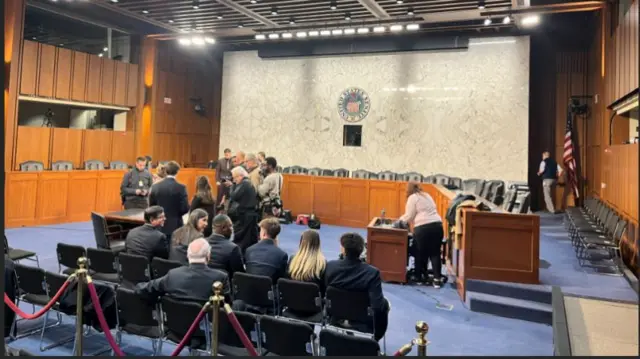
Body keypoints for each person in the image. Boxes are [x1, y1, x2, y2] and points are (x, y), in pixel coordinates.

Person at [325, 232, 390, 342]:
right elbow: (377, 306)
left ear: (344, 250)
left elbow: (325, 292)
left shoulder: (331, 266)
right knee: (384, 305)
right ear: (361, 251)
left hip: (335, 316)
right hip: (363, 321)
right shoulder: (371, 272)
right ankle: (376, 340)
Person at [136, 238, 230, 303]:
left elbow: (145, 289)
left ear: (188, 256)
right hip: (208, 328)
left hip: (178, 328)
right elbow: (227, 307)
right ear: (208, 256)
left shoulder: (173, 275)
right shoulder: (220, 278)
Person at [399, 182, 445, 288]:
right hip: (437, 225)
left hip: (423, 228)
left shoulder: (413, 198)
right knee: (435, 253)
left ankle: (419, 277)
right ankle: (437, 280)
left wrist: (399, 221)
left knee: (418, 252)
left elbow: (409, 216)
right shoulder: (427, 195)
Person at [149, 161, 190, 239]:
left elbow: (151, 207)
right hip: (176, 225)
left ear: (166, 171)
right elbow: (185, 208)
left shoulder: (155, 187)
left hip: (159, 225)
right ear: (177, 172)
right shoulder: (181, 188)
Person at [244, 218, 288, 282]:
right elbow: (281, 279)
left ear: (264, 234)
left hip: (248, 288)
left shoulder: (249, 250)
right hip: (269, 290)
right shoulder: (282, 255)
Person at [226, 166, 259, 252]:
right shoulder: (247, 183)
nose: (234, 180)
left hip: (245, 216)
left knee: (243, 240)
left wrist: (232, 186)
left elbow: (234, 196)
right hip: (248, 215)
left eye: (234, 177)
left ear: (240, 176)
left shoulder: (245, 183)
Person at [288, 230, 327, 295]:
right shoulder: (322, 264)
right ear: (318, 244)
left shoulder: (292, 259)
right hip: (312, 303)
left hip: (291, 301)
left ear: (301, 242)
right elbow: (323, 289)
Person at [207, 214, 245, 279]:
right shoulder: (233, 248)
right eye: (230, 226)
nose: (232, 229)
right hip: (224, 285)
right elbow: (239, 274)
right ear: (224, 228)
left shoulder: (202, 243)